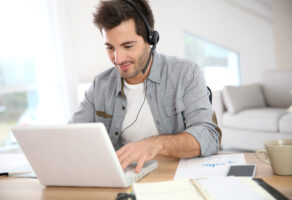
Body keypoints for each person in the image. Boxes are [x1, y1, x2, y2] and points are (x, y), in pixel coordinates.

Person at [70, 0, 222, 173]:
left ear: (151, 39)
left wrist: (155, 145)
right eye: (110, 47)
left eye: (128, 46)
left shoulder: (185, 73)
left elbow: (209, 137)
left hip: (173, 176)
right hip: (124, 181)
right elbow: (72, 136)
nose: (118, 59)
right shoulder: (100, 85)